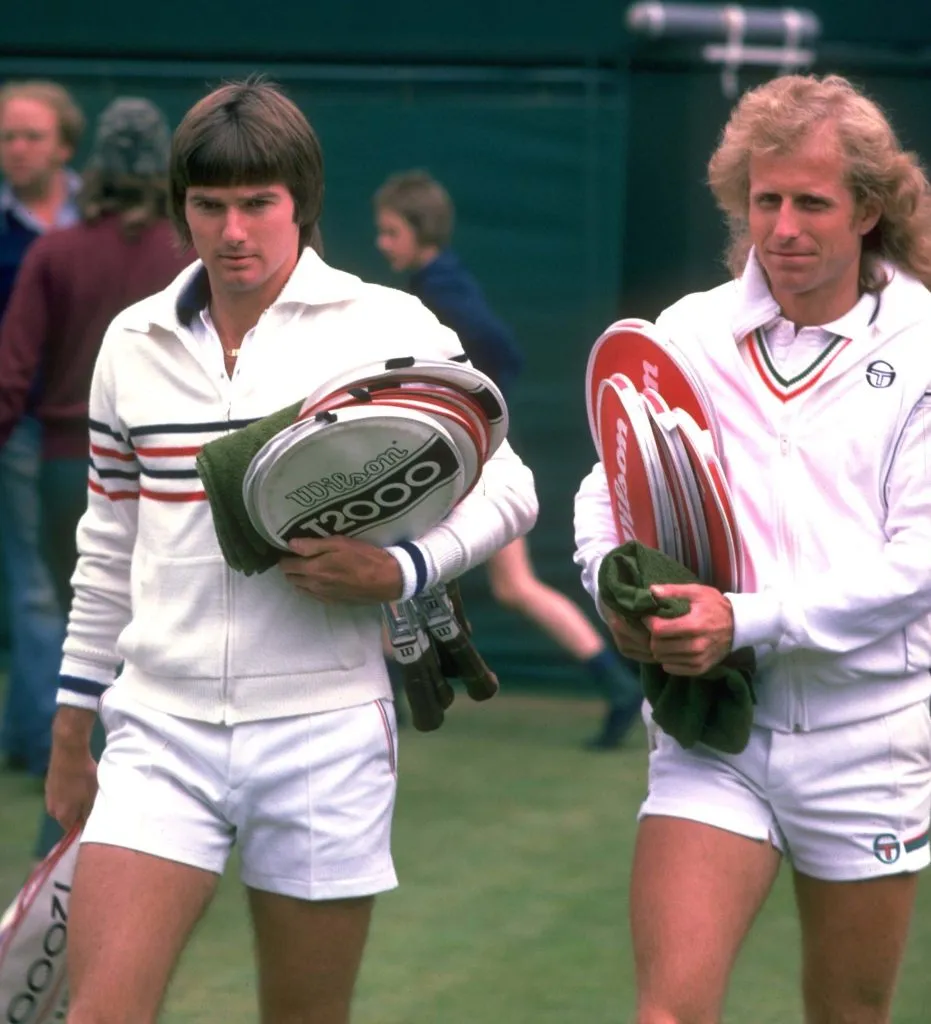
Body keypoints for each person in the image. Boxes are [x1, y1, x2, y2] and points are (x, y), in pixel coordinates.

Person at [45, 78, 537, 1024]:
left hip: (325, 730)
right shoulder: (131, 342)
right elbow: (107, 546)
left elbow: (510, 485)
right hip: (159, 728)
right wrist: (72, 728)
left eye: (257, 203)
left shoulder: (384, 326)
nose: (233, 232)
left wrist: (400, 569)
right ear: (180, 207)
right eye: (209, 205)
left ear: (300, 203)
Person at [573, 73, 931, 1023]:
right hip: (713, 729)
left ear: (867, 209)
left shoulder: (922, 346)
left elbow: (916, 564)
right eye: (765, 200)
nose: (783, 228)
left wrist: (742, 618)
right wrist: (615, 590)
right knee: (667, 1013)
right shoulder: (688, 332)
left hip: (870, 739)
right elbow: (610, 484)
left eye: (812, 202)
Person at [374, 170, 642, 749]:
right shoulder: (435, 283)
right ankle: (616, 687)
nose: (383, 243)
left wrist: (474, 424)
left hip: (469, 461)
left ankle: (618, 687)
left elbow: (500, 353)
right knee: (479, 582)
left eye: (392, 231)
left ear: (420, 230)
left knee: (420, 573)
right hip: (466, 456)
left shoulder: (440, 291)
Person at [0, 96, 196, 858]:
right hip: (168, 473)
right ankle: (159, 831)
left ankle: (66, 833)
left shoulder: (56, 253)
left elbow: (11, 373)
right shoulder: (186, 261)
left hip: (65, 468)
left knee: (79, 636)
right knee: (159, 644)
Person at [0, 80, 85, 777]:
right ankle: (37, 742)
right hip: (24, 423)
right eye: (8, 137)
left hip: (102, 423)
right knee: (34, 585)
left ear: (64, 145)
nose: (18, 149)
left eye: (32, 135)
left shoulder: (104, 215)